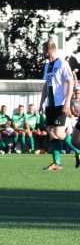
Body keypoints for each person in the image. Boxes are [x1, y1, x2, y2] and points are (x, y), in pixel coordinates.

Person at [40, 40, 79, 170]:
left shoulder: (62, 63)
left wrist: (67, 101)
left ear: (48, 50)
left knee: (59, 133)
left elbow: (71, 82)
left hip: (60, 104)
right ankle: (57, 163)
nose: (42, 52)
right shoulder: (47, 66)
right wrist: (41, 103)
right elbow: (46, 85)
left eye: (43, 50)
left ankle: (78, 152)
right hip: (50, 105)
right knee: (51, 132)